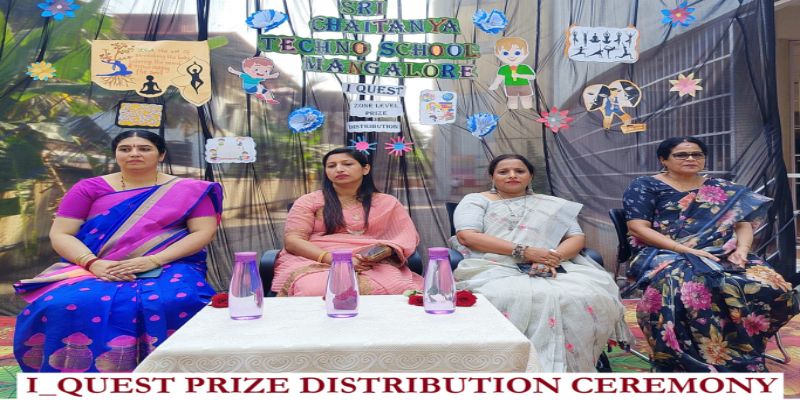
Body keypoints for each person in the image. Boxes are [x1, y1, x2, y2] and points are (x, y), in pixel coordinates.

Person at [14, 130, 222, 372]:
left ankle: (175, 374)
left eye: (144, 148)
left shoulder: (189, 190)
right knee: (61, 303)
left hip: (169, 263)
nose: (134, 153)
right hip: (96, 265)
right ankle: (74, 378)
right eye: (125, 149)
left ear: (161, 155)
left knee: (175, 299)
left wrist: (154, 260)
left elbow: (203, 232)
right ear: (116, 155)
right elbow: (61, 234)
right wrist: (93, 263)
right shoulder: (88, 188)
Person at [623, 136, 798, 372]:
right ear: (663, 159)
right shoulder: (644, 186)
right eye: (681, 155)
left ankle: (738, 347)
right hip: (665, 251)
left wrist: (742, 250)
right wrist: (685, 250)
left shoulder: (721, 187)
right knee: (692, 284)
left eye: (697, 154)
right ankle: (691, 355)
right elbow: (637, 227)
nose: (690, 158)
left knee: (774, 287)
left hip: (722, 251)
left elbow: (742, 223)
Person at [450, 154, 630, 372]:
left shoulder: (551, 204)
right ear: (492, 177)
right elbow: (467, 236)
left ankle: (574, 364)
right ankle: (509, 366)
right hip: (492, 264)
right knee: (507, 295)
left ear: (531, 176)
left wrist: (553, 257)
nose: (512, 175)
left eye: (520, 171)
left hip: (553, 264)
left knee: (587, 294)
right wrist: (525, 252)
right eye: (503, 172)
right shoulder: (476, 200)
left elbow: (576, 237)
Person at [273, 148, 421, 296]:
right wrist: (335, 259)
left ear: (365, 169)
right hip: (314, 258)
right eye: (331, 166)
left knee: (395, 288)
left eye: (347, 164)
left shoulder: (387, 202)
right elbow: (293, 240)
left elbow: (404, 236)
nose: (339, 169)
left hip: (369, 263)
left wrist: (379, 252)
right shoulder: (309, 201)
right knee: (315, 288)